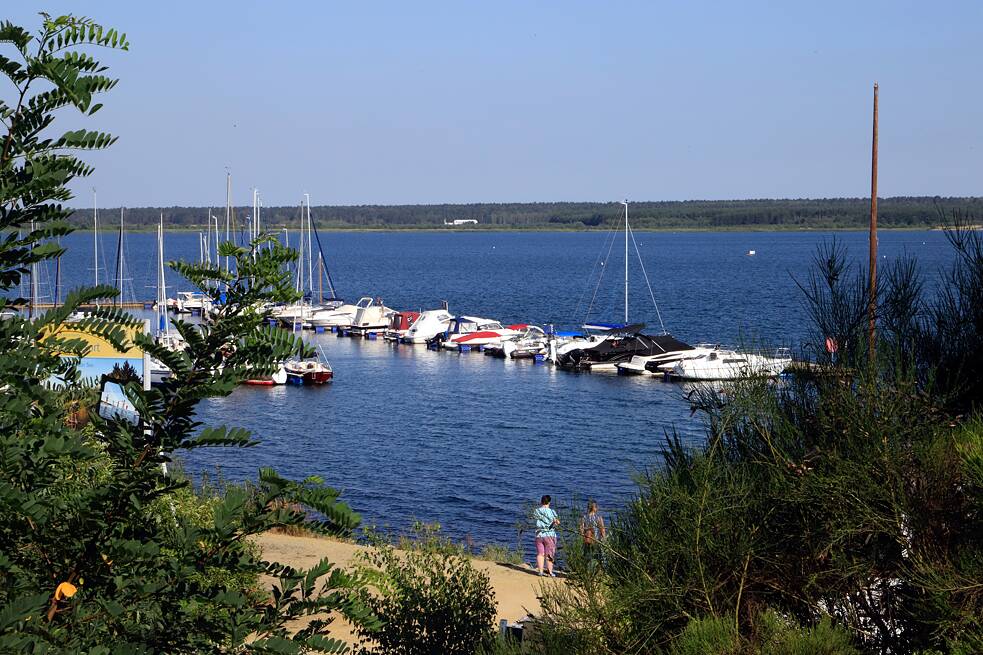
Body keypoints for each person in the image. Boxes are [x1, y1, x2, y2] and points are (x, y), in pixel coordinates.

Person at [533, 495, 560, 577]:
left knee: (540, 553)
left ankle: (540, 571)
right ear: (549, 502)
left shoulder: (537, 511)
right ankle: (550, 572)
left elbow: (535, 519)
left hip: (539, 534)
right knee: (550, 554)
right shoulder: (552, 512)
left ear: (541, 502)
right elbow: (557, 522)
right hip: (550, 535)